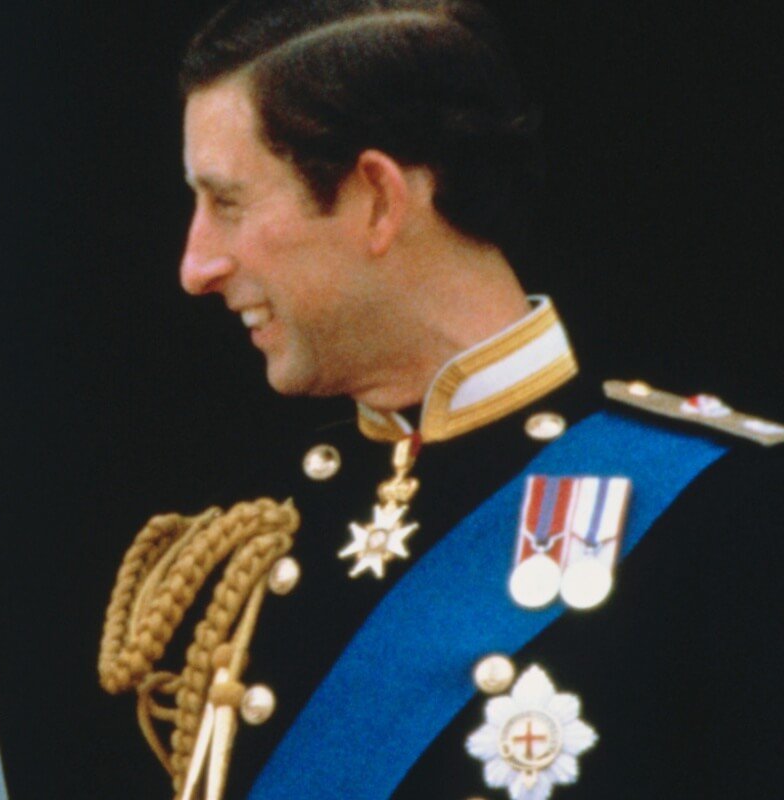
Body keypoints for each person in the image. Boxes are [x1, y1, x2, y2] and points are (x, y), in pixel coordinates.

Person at [145, 0, 784, 797]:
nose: (196, 265)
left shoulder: (729, 511)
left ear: (377, 197)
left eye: (228, 203)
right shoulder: (257, 537)